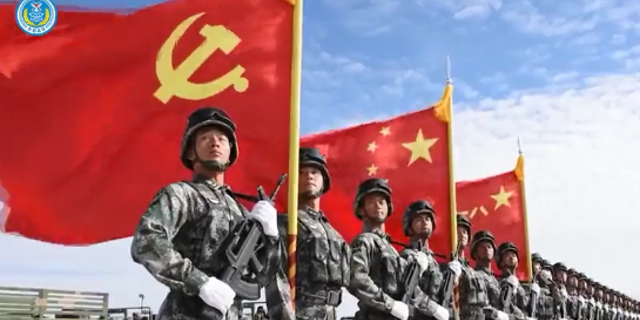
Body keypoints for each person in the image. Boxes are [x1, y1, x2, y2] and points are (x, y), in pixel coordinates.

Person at [130, 107, 293, 320]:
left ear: (230, 151)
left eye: (222, 139)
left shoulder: (241, 211)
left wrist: (271, 237)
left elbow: (263, 277)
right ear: (190, 151)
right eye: (205, 138)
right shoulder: (181, 194)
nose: (215, 143)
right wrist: (199, 282)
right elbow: (146, 241)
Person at [266, 147, 350, 320]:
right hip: (299, 313)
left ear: (324, 181)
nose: (309, 176)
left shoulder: (334, 233)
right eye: (301, 172)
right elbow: (274, 274)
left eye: (314, 172)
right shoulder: (287, 222)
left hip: (331, 313)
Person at [348, 178, 449, 320]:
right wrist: (390, 304)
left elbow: (409, 288)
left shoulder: (391, 249)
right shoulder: (365, 241)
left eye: (382, 202)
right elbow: (356, 278)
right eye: (371, 202)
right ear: (361, 209)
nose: (378, 206)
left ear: (388, 207)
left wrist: (434, 308)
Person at [399, 200, 458, 320]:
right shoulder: (407, 255)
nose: (424, 221)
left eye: (428, 218)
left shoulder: (434, 261)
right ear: (409, 227)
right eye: (418, 219)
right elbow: (408, 290)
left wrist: (453, 278)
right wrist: (434, 309)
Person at [495, 242, 529, 320]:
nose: (511, 257)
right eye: (507, 255)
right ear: (501, 262)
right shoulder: (497, 283)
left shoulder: (524, 286)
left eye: (514, 255)